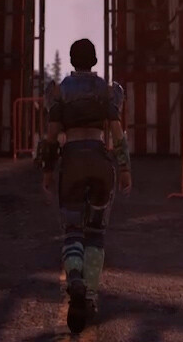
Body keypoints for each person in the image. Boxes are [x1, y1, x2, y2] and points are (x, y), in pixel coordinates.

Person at [33, 38, 130, 332]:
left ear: (72, 61)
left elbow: (51, 137)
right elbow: (118, 133)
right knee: (96, 233)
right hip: (101, 162)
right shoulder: (107, 91)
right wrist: (125, 168)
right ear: (95, 61)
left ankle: (75, 278)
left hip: (73, 162)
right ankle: (89, 295)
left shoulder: (60, 91)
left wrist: (48, 171)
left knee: (73, 230)